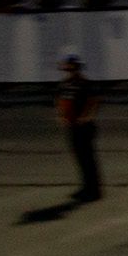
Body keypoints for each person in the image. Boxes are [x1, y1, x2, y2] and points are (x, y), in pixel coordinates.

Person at [56, 55, 102, 202]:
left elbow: (93, 102)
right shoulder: (65, 84)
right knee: (80, 159)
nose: (68, 69)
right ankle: (86, 187)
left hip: (84, 126)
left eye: (71, 67)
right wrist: (61, 116)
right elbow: (61, 101)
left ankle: (94, 190)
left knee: (88, 159)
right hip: (71, 126)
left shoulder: (85, 83)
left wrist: (87, 117)